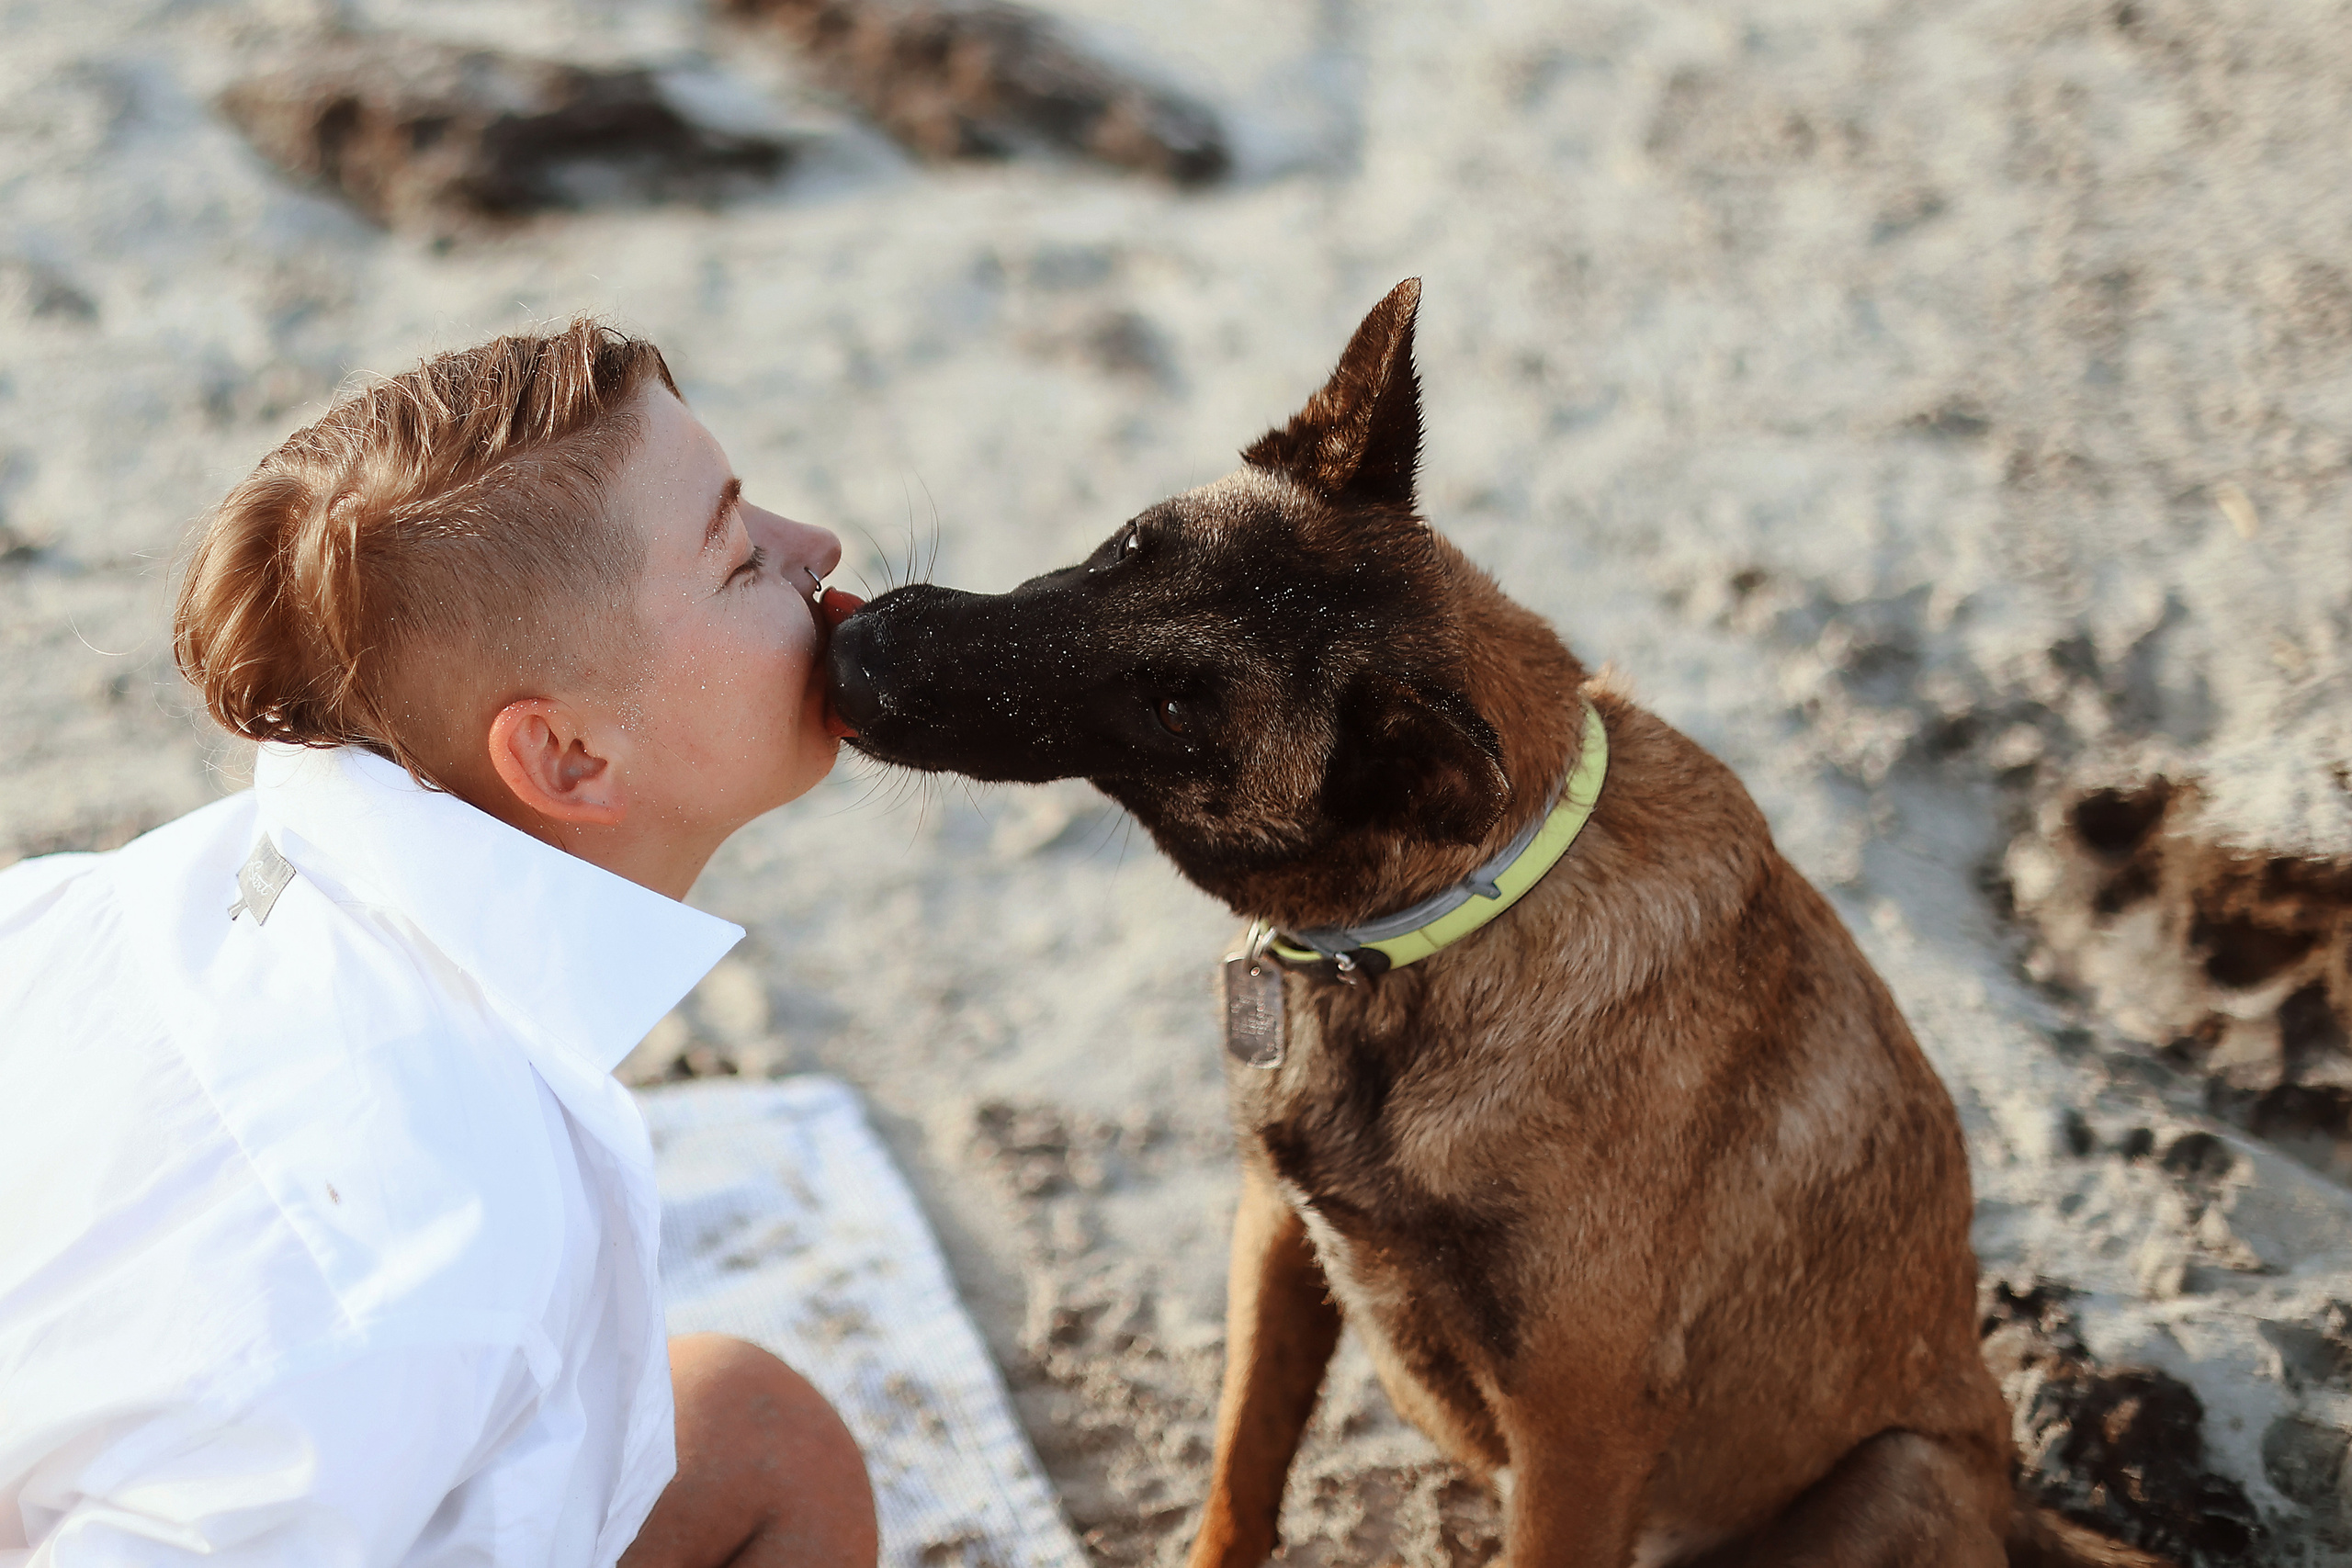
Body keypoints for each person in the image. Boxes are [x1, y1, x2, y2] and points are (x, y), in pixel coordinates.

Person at [0, 321, 877, 1566]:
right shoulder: (428, 1261)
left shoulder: (120, 896)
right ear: (567, 755)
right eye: (738, 557)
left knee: (755, 1431)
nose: (818, 549)